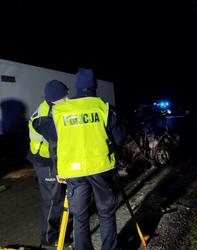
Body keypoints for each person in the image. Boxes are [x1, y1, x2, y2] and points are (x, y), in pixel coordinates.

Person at [51, 68, 124, 250]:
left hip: (73, 172)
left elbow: (56, 141)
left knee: (80, 217)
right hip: (100, 168)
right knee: (106, 213)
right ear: (94, 86)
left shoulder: (59, 111)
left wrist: (59, 169)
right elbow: (120, 138)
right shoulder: (103, 107)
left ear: (76, 87)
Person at [27, 80, 72, 248]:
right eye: (65, 96)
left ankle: (62, 231)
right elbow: (58, 143)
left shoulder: (55, 107)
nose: (68, 98)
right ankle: (48, 239)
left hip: (49, 158)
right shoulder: (45, 117)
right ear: (56, 98)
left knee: (60, 197)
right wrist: (60, 170)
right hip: (45, 161)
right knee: (53, 200)